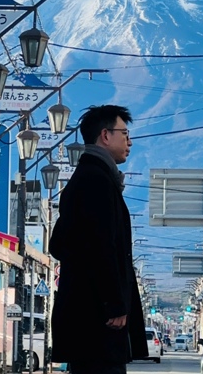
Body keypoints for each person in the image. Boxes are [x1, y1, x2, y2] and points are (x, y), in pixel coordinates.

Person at [49, 105, 148, 374]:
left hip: (88, 318)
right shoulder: (96, 181)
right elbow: (101, 246)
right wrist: (113, 304)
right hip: (99, 320)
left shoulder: (90, 178)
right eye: (124, 133)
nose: (129, 141)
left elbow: (59, 243)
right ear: (105, 135)